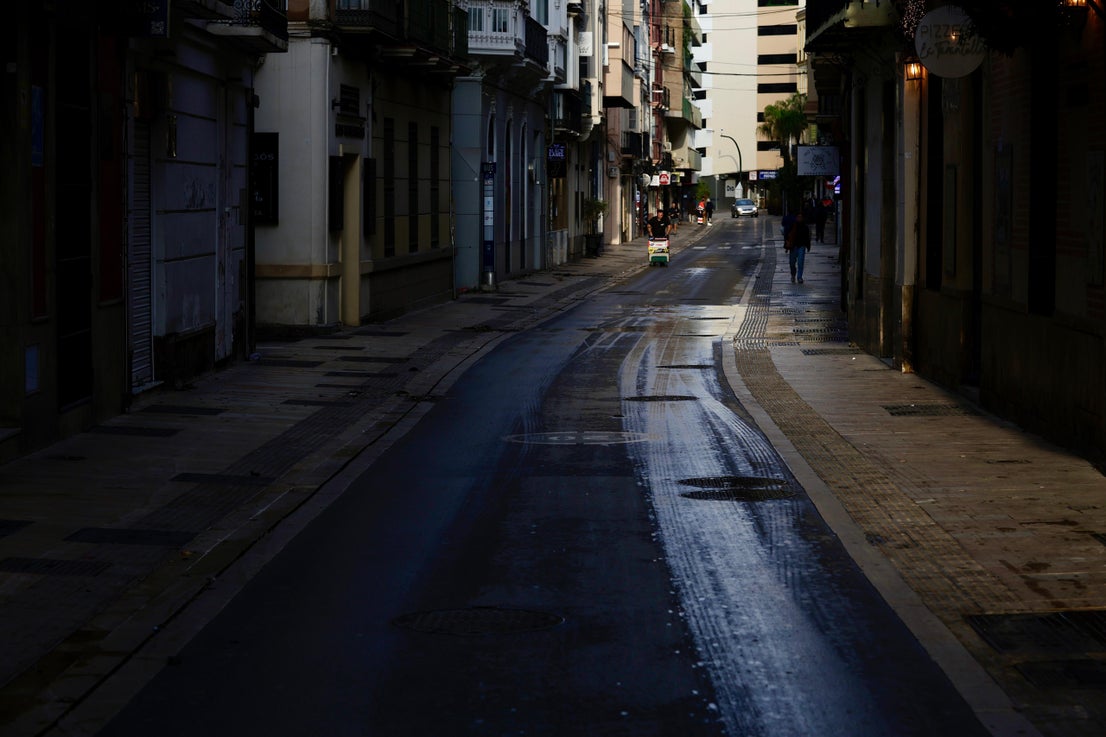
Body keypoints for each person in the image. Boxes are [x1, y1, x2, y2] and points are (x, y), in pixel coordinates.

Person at [785, 211, 812, 284]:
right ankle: (793, 275)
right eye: (798, 217)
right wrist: (787, 246)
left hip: (801, 246)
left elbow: (807, 237)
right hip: (793, 247)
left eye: (801, 217)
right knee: (792, 263)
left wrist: (808, 246)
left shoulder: (805, 227)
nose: (799, 218)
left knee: (800, 262)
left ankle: (799, 277)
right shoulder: (792, 226)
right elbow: (788, 236)